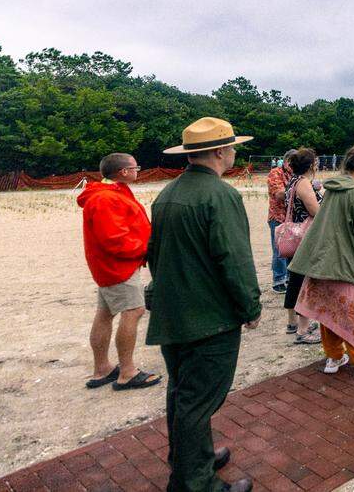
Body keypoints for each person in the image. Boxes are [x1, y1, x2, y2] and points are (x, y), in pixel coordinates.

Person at [146, 117, 261, 492]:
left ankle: (191, 458)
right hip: (208, 318)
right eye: (230, 146)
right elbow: (234, 259)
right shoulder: (220, 196)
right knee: (197, 402)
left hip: (175, 314)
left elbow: (156, 255)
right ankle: (197, 483)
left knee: (182, 393)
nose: (233, 152)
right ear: (217, 152)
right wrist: (250, 307)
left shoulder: (168, 193)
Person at [292, 144, 354, 379]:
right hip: (345, 264)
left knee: (330, 313)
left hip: (323, 263)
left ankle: (334, 356)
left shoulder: (332, 189)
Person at [78, 152, 162, 390]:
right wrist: (145, 248)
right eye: (136, 167)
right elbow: (115, 239)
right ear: (123, 172)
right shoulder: (105, 198)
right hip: (118, 267)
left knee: (105, 313)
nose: (138, 170)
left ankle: (102, 369)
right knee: (133, 311)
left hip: (109, 267)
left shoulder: (110, 193)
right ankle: (127, 372)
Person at [282, 148, 322, 344]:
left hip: (294, 237)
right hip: (304, 239)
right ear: (310, 165)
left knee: (295, 280)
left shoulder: (292, 180)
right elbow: (315, 211)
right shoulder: (304, 183)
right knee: (304, 282)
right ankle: (303, 330)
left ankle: (293, 322)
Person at [266, 149, 296, 294]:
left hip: (292, 218)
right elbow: (279, 194)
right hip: (277, 217)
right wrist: (298, 190)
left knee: (291, 249)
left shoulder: (295, 174)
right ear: (285, 162)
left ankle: (289, 277)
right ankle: (278, 280)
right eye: (292, 163)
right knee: (279, 250)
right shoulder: (275, 173)